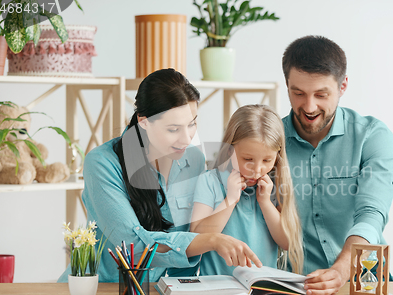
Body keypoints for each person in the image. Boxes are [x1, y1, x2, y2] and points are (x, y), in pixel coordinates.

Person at [57, 69, 262, 283]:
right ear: (144, 122)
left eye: (192, 124)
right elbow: (132, 247)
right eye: (173, 129)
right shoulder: (102, 163)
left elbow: (191, 234)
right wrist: (211, 240)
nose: (186, 138)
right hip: (103, 292)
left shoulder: (194, 159)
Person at [281, 36, 393, 295]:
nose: (309, 107)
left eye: (321, 94)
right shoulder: (269, 141)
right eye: (298, 93)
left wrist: (342, 269)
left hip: (364, 283)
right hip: (296, 288)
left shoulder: (372, 136)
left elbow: (371, 213)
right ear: (287, 85)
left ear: (343, 85)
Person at [190, 105, 304, 275]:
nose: (257, 169)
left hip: (262, 289)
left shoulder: (276, 184)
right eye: (248, 159)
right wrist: (230, 200)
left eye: (267, 160)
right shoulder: (210, 181)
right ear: (230, 150)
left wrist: (265, 203)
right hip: (216, 288)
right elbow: (196, 237)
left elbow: (287, 243)